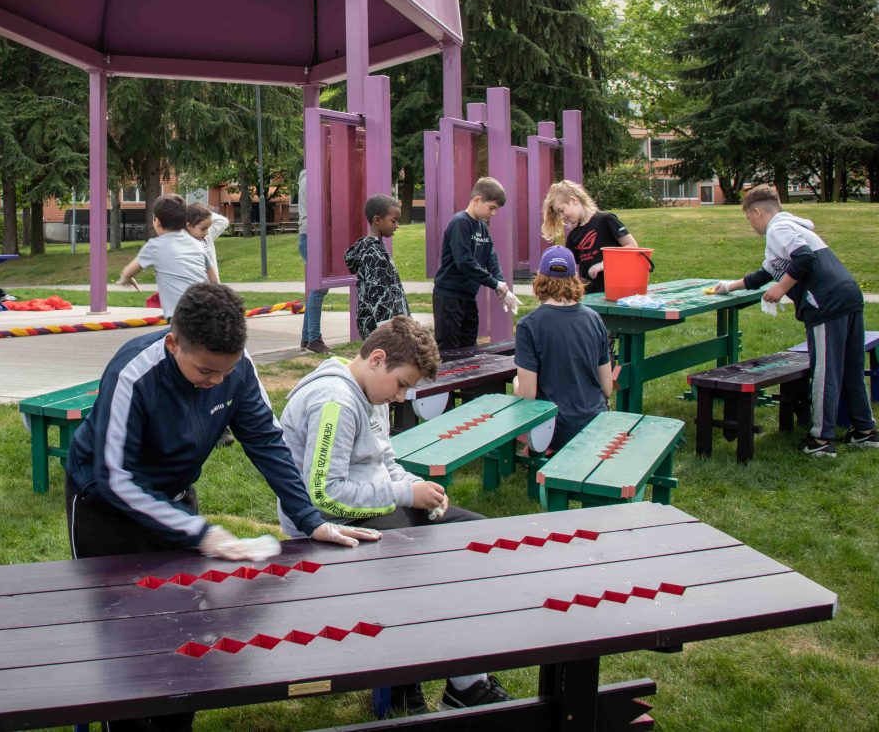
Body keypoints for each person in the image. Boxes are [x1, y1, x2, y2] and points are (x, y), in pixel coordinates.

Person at [65, 284, 379, 732]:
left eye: (225, 371)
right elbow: (117, 478)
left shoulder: (236, 368)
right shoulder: (134, 372)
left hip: (174, 497)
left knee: (190, 629)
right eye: (205, 371)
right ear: (174, 344)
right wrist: (201, 533)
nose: (216, 381)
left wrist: (310, 521)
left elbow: (266, 441)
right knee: (124, 641)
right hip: (105, 507)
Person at [278, 314, 511, 713]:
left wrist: (420, 489)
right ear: (377, 359)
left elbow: (385, 463)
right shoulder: (334, 401)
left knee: (480, 539)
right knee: (428, 564)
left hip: (370, 514)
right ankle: (461, 684)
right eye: (402, 384)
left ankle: (434, 677)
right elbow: (322, 497)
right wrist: (404, 493)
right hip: (329, 530)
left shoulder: (372, 392)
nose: (402, 397)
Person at [710, 185, 879, 458]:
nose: (750, 224)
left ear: (757, 212)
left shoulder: (777, 229)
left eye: (748, 218)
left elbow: (804, 258)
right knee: (851, 367)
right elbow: (764, 273)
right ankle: (865, 432)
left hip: (826, 304)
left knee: (825, 372)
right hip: (849, 295)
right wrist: (729, 286)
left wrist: (781, 289)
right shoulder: (794, 227)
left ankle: (822, 441)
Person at [513, 245, 613, 453]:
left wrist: (515, 383)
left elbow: (527, 395)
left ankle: (535, 450)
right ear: (575, 278)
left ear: (539, 278)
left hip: (556, 428)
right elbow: (607, 387)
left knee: (518, 388)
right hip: (595, 421)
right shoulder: (594, 319)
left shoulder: (529, 325)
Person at [432, 177, 519, 354]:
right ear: (477, 200)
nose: (493, 213)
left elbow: (491, 258)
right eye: (492, 208)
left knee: (469, 349)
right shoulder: (460, 223)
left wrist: (502, 286)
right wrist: (494, 283)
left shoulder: (482, 227)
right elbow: (465, 262)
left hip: (468, 297)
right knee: (449, 351)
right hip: (449, 296)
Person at [115, 194, 211, 321]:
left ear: (157, 221)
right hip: (206, 311)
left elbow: (128, 271)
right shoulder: (196, 243)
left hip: (180, 317)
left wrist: (125, 279)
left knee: (140, 342)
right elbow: (212, 275)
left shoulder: (154, 246)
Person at [541, 180, 644, 297]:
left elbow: (632, 246)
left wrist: (604, 264)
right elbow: (570, 267)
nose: (562, 216)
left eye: (561, 210)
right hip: (589, 295)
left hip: (616, 291)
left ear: (574, 200)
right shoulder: (573, 236)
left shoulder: (605, 219)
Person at [344, 193, 410, 340]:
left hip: (383, 331)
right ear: (377, 220)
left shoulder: (376, 248)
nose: (397, 226)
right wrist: (390, 336)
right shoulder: (374, 254)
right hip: (382, 335)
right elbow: (380, 300)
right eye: (394, 221)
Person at [294, 167, 331, 355]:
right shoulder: (312, 180)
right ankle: (314, 339)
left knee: (317, 288)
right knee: (319, 287)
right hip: (311, 236)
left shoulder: (309, 178)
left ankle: (308, 337)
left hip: (309, 236)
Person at [183, 202, 228, 283]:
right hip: (196, 289)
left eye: (207, 228)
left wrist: (204, 212)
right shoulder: (184, 243)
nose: (206, 232)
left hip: (212, 288)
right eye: (203, 229)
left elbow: (223, 221)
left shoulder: (207, 236)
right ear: (189, 226)